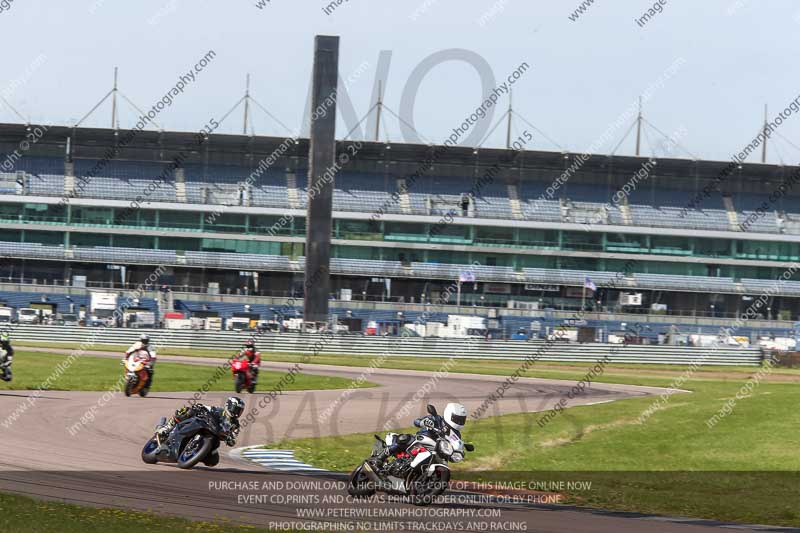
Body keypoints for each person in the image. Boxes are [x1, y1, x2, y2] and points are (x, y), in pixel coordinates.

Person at [374, 403, 468, 467]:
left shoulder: (456, 434)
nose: (459, 421)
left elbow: (455, 445)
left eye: (461, 419)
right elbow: (416, 421)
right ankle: (380, 458)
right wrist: (423, 422)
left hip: (436, 451)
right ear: (449, 414)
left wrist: (460, 449)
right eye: (457, 419)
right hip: (421, 441)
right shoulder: (437, 419)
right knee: (404, 438)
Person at [157, 397, 245, 449]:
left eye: (240, 410)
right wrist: (199, 407)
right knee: (187, 411)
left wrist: (230, 440)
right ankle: (167, 427)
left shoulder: (235, 425)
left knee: (213, 461)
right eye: (236, 409)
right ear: (229, 406)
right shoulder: (219, 410)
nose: (237, 412)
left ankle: (194, 452)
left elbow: (233, 440)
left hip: (213, 438)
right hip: (205, 426)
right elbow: (207, 408)